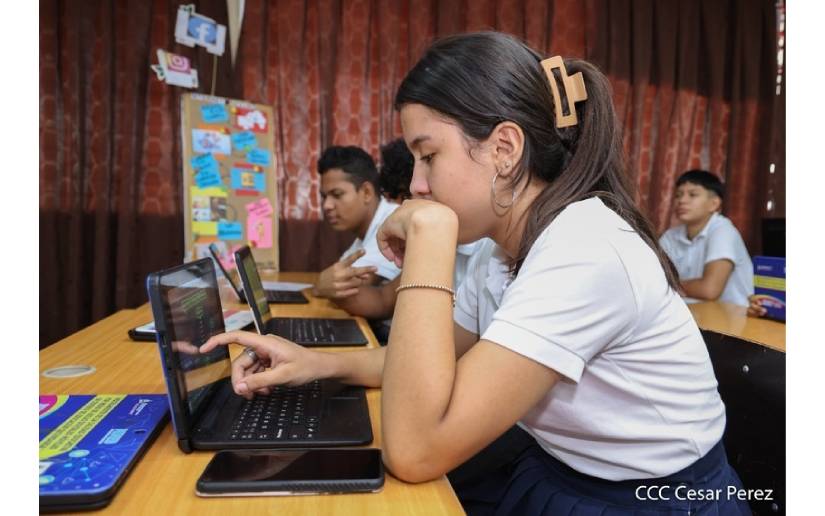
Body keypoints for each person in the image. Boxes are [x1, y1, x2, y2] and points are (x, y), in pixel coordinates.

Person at [202, 32, 750, 515]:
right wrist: (316, 364)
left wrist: (430, 236)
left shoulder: (585, 248)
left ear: (504, 149)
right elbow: (430, 361)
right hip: (562, 470)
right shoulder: (499, 248)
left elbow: (415, 450)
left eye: (428, 156)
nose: (416, 186)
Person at [312, 145, 401, 301]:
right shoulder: (363, 235)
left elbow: (345, 285)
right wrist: (321, 285)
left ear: (367, 192)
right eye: (324, 197)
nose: (327, 205)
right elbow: (334, 280)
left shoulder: (392, 222)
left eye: (337, 194)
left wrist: (320, 286)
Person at [659, 170, 754, 307]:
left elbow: (710, 290)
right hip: (691, 313)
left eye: (692, 195)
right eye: (678, 195)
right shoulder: (670, 236)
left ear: (714, 204)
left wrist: (669, 286)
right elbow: (651, 280)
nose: (682, 201)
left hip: (732, 316)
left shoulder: (723, 230)